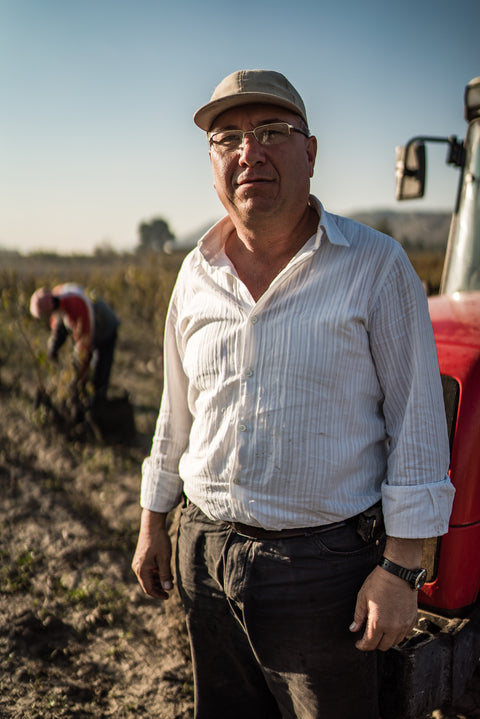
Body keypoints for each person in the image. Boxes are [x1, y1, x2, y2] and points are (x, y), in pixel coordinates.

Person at [132, 69, 455, 719]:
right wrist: (154, 520)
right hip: (205, 552)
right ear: (213, 162)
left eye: (272, 132)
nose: (249, 151)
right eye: (228, 138)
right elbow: (178, 410)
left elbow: (417, 422)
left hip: (323, 570)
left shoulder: (376, 265)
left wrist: (400, 570)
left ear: (310, 152)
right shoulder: (195, 274)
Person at [30, 283, 119, 403]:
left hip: (105, 329)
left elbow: (84, 346)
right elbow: (60, 325)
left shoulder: (76, 306)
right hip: (87, 324)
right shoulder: (56, 297)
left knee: (99, 370)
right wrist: (54, 347)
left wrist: (79, 380)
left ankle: (98, 403)